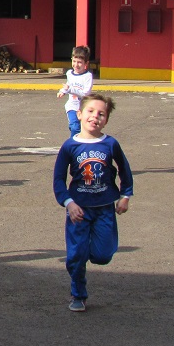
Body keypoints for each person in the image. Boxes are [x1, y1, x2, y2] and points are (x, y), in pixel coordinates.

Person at [52, 93, 134, 313]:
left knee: (102, 255)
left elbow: (125, 171)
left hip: (104, 208)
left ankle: (85, 251)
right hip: (78, 210)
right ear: (79, 114)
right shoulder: (70, 146)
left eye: (101, 114)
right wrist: (69, 203)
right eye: (90, 111)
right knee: (76, 257)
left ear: (106, 120)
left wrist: (125, 196)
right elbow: (59, 180)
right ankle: (78, 293)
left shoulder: (110, 144)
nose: (95, 117)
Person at [57, 45, 93, 136]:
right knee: (75, 127)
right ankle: (74, 145)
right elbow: (68, 84)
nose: (76, 65)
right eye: (74, 61)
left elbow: (85, 94)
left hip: (83, 107)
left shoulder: (87, 76)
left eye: (80, 62)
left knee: (84, 128)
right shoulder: (69, 73)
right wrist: (63, 91)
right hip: (72, 106)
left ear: (86, 63)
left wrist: (70, 89)